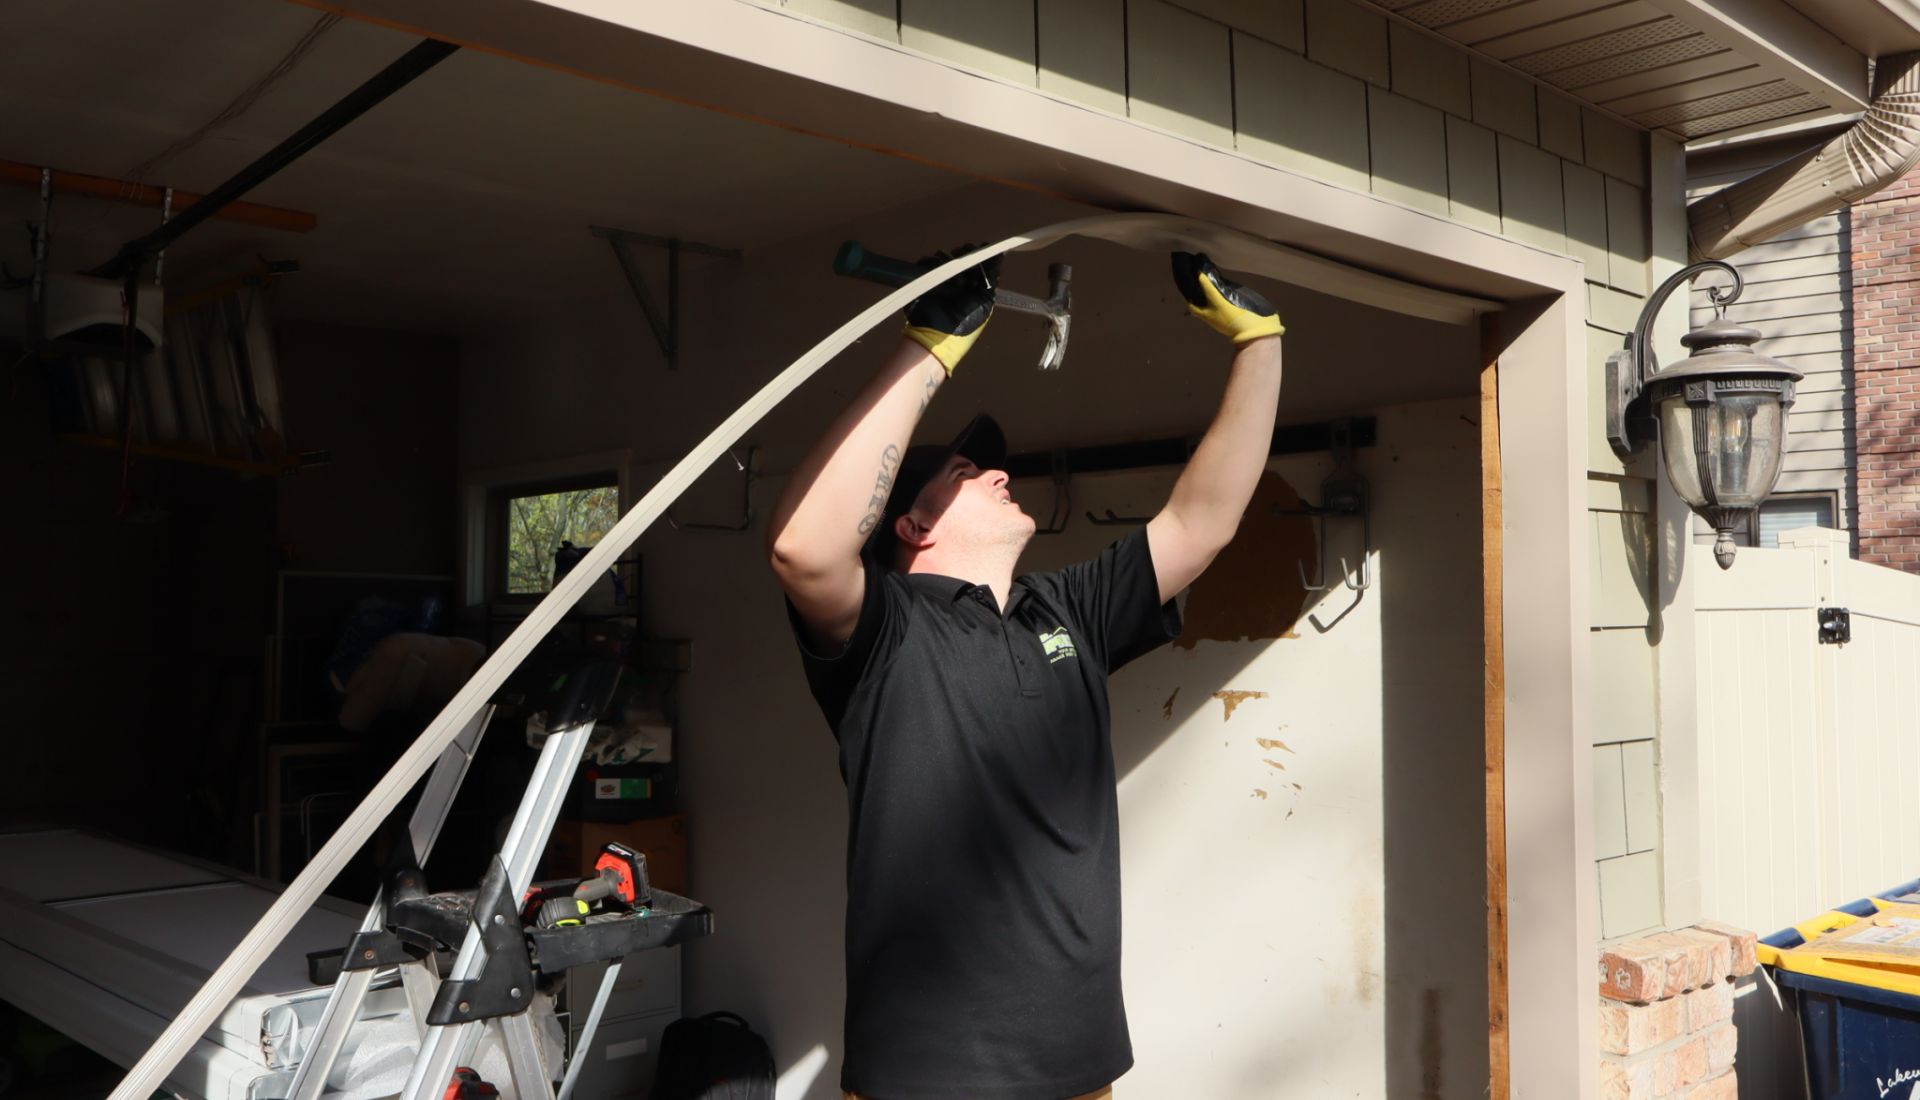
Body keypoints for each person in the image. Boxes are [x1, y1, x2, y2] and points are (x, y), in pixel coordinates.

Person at [766, 247, 1284, 1100]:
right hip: (930, 1079)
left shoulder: (1068, 610)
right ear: (912, 525)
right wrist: (930, 346)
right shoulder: (886, 632)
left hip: (1082, 1067)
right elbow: (803, 547)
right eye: (968, 474)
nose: (1003, 473)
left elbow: (1203, 522)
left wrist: (1259, 344)